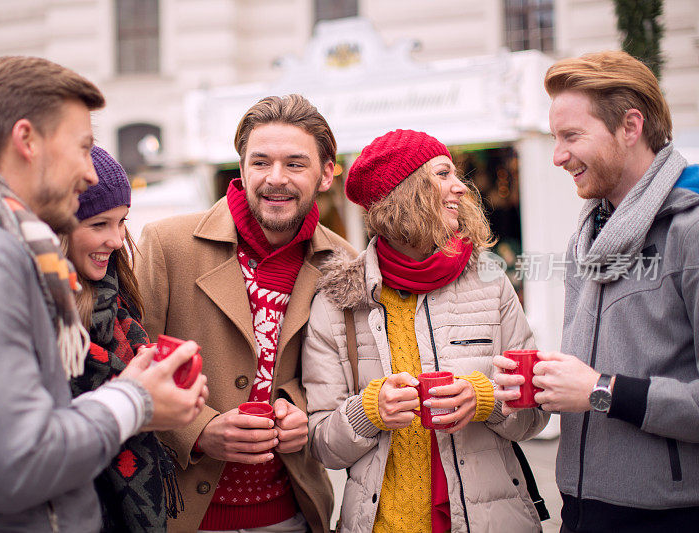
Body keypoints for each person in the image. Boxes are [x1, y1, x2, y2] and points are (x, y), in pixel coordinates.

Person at [0, 56, 207, 531]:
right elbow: (18, 465)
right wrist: (135, 401)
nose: (89, 173)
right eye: (82, 148)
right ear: (26, 140)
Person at [302, 129, 549, 533]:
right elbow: (322, 444)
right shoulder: (337, 302)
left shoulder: (490, 281)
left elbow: (535, 413)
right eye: (443, 174)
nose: (461, 188)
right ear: (405, 193)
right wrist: (368, 412)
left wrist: (484, 399)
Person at [493, 50, 699, 532]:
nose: (558, 156)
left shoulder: (690, 230)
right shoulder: (589, 231)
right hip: (583, 510)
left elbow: (598, 386)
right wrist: (543, 383)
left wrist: (601, 390)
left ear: (631, 126)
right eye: (554, 138)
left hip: (670, 517)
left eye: (572, 136)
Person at [135, 94, 354, 532]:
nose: (276, 179)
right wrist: (197, 430)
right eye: (260, 162)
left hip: (292, 514)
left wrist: (302, 412)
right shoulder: (166, 245)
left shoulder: (344, 263)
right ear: (241, 168)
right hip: (181, 514)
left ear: (326, 173)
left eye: (295, 164)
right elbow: (130, 363)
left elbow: (349, 376)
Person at [64, 145, 197, 531]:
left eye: (122, 222)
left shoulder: (117, 293)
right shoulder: (42, 314)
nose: (118, 240)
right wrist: (138, 400)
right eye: (99, 225)